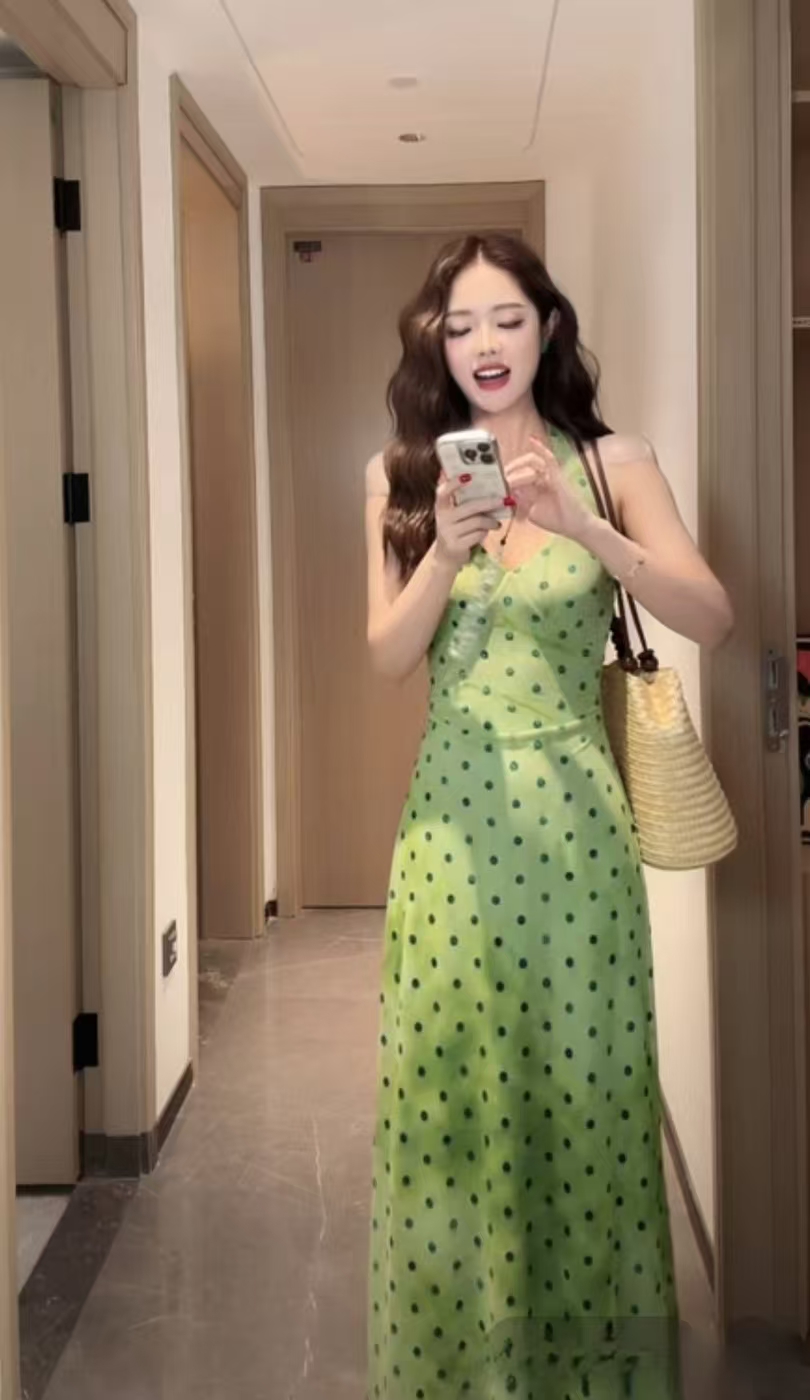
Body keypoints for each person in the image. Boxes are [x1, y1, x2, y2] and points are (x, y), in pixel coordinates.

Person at [364, 232, 733, 1400]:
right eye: (461, 324)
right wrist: (444, 552)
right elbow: (387, 656)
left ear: (549, 328)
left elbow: (712, 616)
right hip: (450, 842)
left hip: (579, 838)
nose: (484, 343)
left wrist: (585, 526)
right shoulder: (399, 475)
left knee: (588, 1103)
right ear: (438, 344)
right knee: (455, 1103)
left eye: (508, 319)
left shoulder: (616, 461)